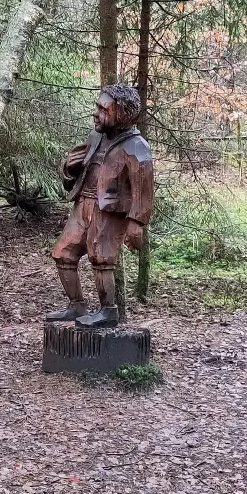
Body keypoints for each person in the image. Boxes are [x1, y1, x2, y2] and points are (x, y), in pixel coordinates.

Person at [46, 84, 155, 328]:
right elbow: (77, 175)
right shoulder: (96, 137)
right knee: (63, 252)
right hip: (82, 203)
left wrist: (137, 223)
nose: (96, 113)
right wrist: (69, 168)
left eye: (103, 109)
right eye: (97, 106)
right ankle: (76, 305)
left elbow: (144, 189)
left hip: (109, 210)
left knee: (101, 258)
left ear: (121, 113)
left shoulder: (136, 147)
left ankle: (109, 311)